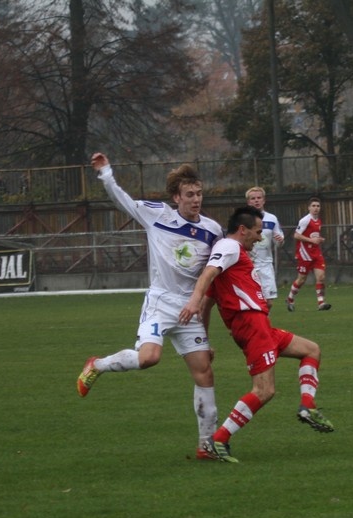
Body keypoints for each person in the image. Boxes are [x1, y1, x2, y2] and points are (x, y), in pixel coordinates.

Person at [76, 153, 223, 460]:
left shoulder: (213, 231)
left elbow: (211, 282)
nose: (196, 200)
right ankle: (98, 365)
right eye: (189, 195)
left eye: (199, 194)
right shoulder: (157, 215)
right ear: (176, 197)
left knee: (204, 374)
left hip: (190, 310)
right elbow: (123, 200)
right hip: (159, 302)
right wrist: (106, 171)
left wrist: (205, 332)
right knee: (149, 358)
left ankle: (207, 445)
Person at [178, 206, 334, 462]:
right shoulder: (229, 248)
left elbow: (208, 303)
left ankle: (308, 405)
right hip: (251, 325)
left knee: (311, 350)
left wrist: (204, 341)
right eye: (257, 232)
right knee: (264, 389)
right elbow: (206, 282)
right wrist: (194, 301)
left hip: (258, 323)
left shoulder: (230, 255)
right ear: (242, 230)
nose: (260, 238)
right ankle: (219, 440)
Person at [286, 196, 331, 311]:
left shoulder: (319, 220)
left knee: (321, 277)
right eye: (313, 206)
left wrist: (319, 239)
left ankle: (321, 302)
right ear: (309, 208)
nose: (316, 208)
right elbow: (296, 235)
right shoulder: (305, 220)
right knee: (301, 279)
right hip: (305, 254)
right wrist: (311, 240)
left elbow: (313, 235)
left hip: (316, 252)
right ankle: (290, 298)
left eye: (318, 206)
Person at [244, 186, 284, 307]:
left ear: (264, 200)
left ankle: (262, 324)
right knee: (252, 300)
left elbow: (279, 240)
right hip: (249, 265)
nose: (256, 200)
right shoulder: (244, 219)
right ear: (248, 202)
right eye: (253, 198)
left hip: (266, 264)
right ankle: (256, 324)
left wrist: (280, 240)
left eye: (259, 198)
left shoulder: (272, 219)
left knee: (269, 302)